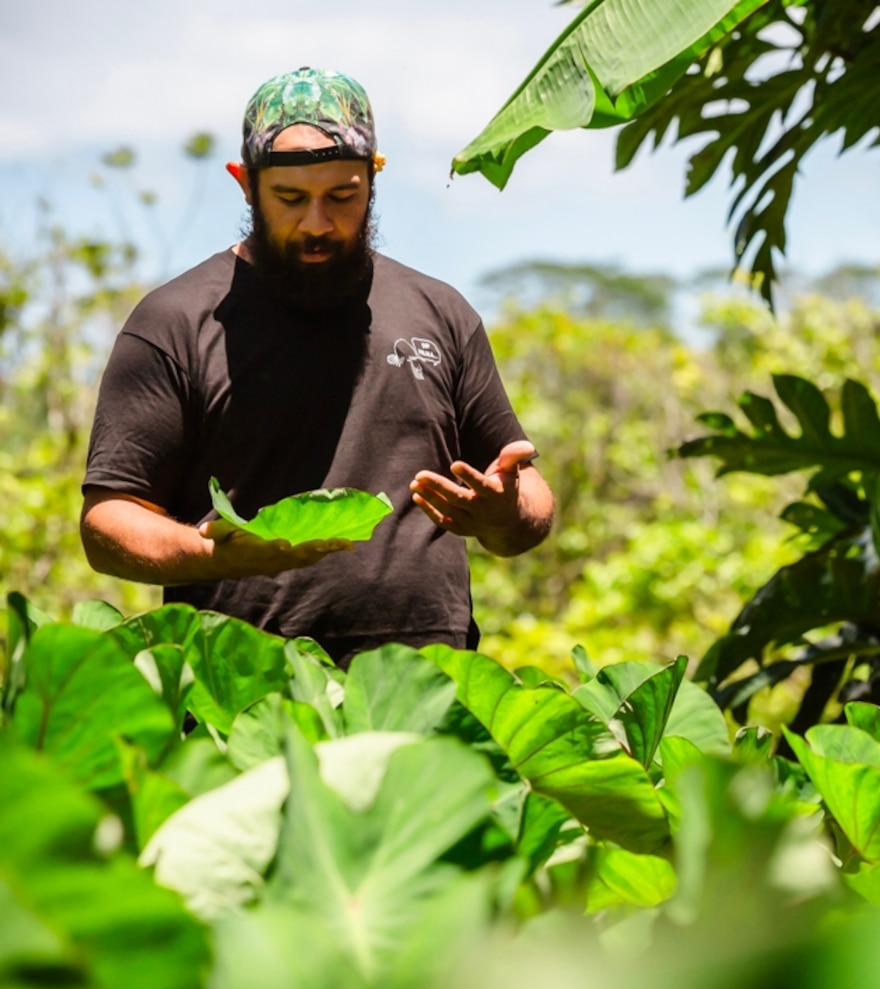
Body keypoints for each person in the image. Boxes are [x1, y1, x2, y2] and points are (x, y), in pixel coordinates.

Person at [81, 66, 553, 665]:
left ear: (373, 177)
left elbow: (527, 493)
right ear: (245, 184)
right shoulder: (173, 322)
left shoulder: (440, 313)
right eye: (290, 199)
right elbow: (108, 519)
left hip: (424, 692)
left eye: (342, 196)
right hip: (243, 700)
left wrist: (505, 511)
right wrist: (212, 557)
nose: (317, 223)